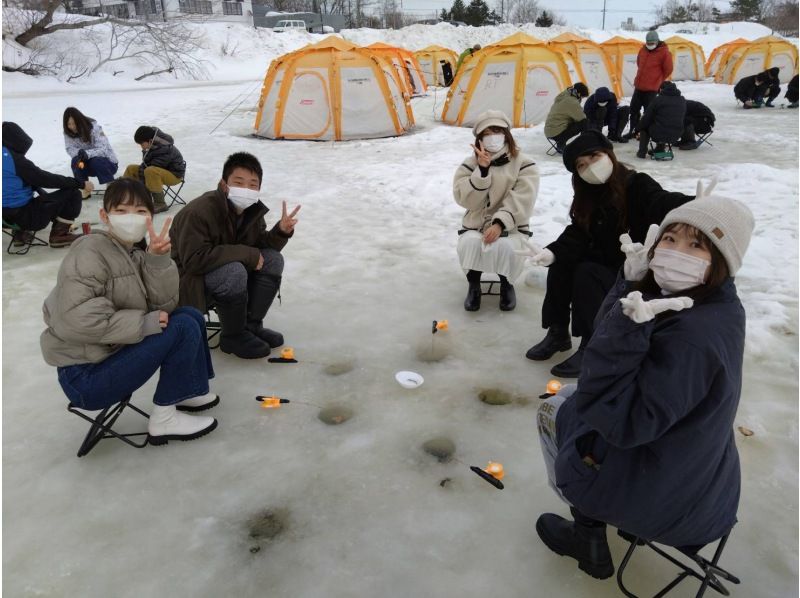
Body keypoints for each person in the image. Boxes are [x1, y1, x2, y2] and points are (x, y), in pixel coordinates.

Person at [534, 191, 754, 580]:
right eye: (670, 239)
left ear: (722, 261)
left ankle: (586, 532)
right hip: (691, 473)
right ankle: (601, 514)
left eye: (696, 244)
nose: (675, 251)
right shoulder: (709, 304)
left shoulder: (693, 335)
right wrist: (627, 286)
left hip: (667, 496)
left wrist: (626, 325)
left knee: (553, 410)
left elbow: (620, 421)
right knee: (570, 399)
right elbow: (606, 345)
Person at [40, 178, 219, 445]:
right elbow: (73, 320)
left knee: (188, 315)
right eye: (121, 211)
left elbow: (165, 309)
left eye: (140, 211)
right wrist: (141, 323)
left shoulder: (132, 255)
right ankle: (164, 420)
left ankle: (187, 390)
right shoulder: (90, 251)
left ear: (150, 216)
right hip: (86, 377)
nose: (131, 218)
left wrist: (157, 260)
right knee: (181, 325)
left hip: (108, 357)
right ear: (105, 215)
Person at [519, 130, 692, 377]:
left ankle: (591, 343)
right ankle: (557, 332)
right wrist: (553, 253)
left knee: (586, 273)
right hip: (602, 259)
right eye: (582, 165)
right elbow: (578, 232)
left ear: (608, 154)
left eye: (593, 157)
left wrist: (693, 204)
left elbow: (661, 202)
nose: (590, 167)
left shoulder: (637, 184)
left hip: (632, 266)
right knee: (562, 264)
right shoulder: (588, 194)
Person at [170, 152, 299, 360]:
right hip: (190, 282)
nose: (246, 190)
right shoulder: (198, 212)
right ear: (224, 184)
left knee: (274, 259)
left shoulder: (250, 210)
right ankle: (233, 335)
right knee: (234, 269)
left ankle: (251, 326)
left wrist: (281, 231)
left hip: (228, 277)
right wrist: (246, 254)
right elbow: (194, 261)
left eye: (252, 185)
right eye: (239, 182)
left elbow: (259, 246)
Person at [453, 111, 539, 312]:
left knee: (507, 247)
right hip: (476, 223)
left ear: (506, 134)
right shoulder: (469, 164)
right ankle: (474, 285)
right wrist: (481, 172)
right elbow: (465, 199)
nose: (493, 137)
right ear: (479, 138)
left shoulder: (524, 163)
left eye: (498, 131)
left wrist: (500, 223)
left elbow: (524, 197)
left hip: (514, 224)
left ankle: (506, 284)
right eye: (487, 133)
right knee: (470, 242)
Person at [2, 121, 90, 248]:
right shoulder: (14, 160)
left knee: (19, 190)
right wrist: (79, 183)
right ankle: (59, 235)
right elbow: (45, 179)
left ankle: (20, 234)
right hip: (25, 217)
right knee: (73, 193)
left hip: (4, 219)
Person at [623, 30, 673, 140]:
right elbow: (639, 63)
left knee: (648, 113)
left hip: (652, 89)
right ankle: (633, 131)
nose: (649, 45)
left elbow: (668, 70)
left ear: (656, 41)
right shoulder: (642, 50)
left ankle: (645, 134)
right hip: (639, 86)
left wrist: (658, 80)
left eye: (651, 43)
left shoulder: (664, 53)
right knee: (634, 110)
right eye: (648, 43)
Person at [123, 126, 185, 214]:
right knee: (131, 168)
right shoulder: (152, 146)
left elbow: (151, 168)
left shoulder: (165, 149)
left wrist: (142, 192)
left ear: (150, 141)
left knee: (150, 171)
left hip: (174, 175)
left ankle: (160, 203)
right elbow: (145, 165)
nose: (141, 147)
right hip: (157, 171)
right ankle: (123, 194)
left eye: (141, 144)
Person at [63, 107, 118, 193]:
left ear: (80, 121)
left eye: (74, 123)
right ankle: (84, 188)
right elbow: (70, 148)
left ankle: (111, 186)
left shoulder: (94, 128)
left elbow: (103, 149)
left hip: (108, 165)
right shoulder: (68, 133)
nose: (72, 127)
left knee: (96, 160)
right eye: (69, 124)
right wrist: (80, 154)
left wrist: (87, 154)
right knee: (75, 161)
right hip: (86, 166)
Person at [634, 80, 686, 159]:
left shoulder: (658, 100)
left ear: (661, 89)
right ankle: (659, 150)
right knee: (663, 124)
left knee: (645, 127)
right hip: (677, 134)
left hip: (659, 133)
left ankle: (642, 152)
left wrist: (637, 129)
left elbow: (647, 118)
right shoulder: (682, 100)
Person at [544, 83, 590, 153]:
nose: (582, 99)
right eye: (582, 97)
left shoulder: (564, 95)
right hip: (556, 133)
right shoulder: (572, 102)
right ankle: (586, 144)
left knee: (574, 120)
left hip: (549, 131)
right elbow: (582, 118)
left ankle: (560, 143)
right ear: (579, 94)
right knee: (584, 122)